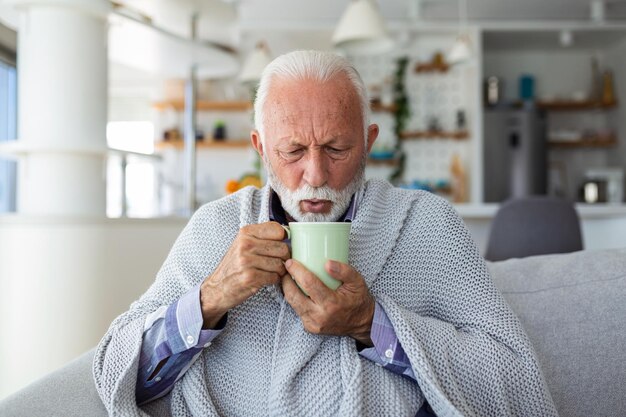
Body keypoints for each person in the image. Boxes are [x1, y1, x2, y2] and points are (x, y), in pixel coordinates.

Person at [93, 50, 557, 417]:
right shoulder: (216, 227)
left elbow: (514, 377)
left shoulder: (425, 224)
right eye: (292, 150)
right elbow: (119, 366)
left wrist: (369, 322)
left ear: (369, 142)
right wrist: (211, 297)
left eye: (337, 148)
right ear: (260, 148)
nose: (315, 175)